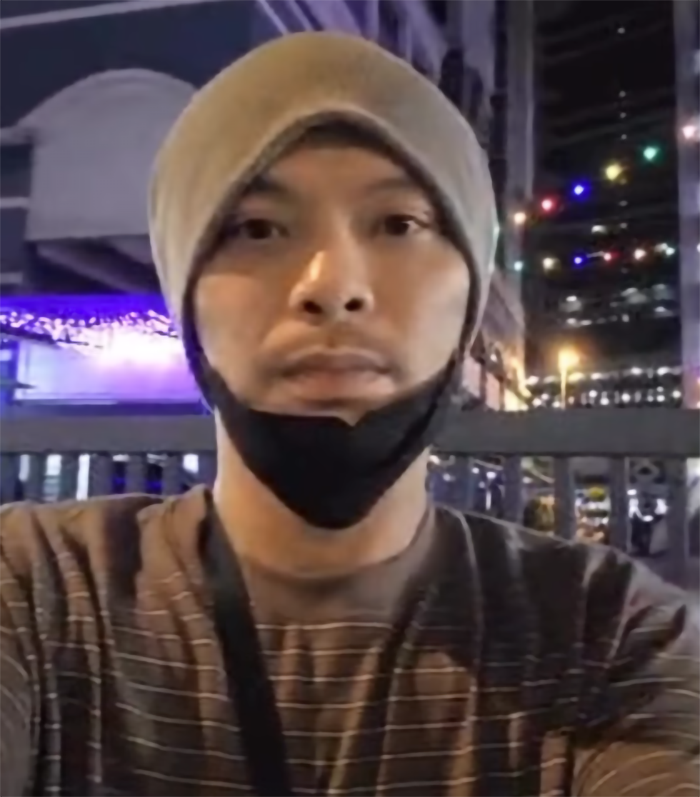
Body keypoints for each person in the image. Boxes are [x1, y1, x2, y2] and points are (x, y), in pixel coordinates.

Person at [1, 32, 698, 797]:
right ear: (185, 295)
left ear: (468, 295)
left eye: (399, 223)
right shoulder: (37, 593)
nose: (333, 286)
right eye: (257, 228)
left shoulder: (608, 635)